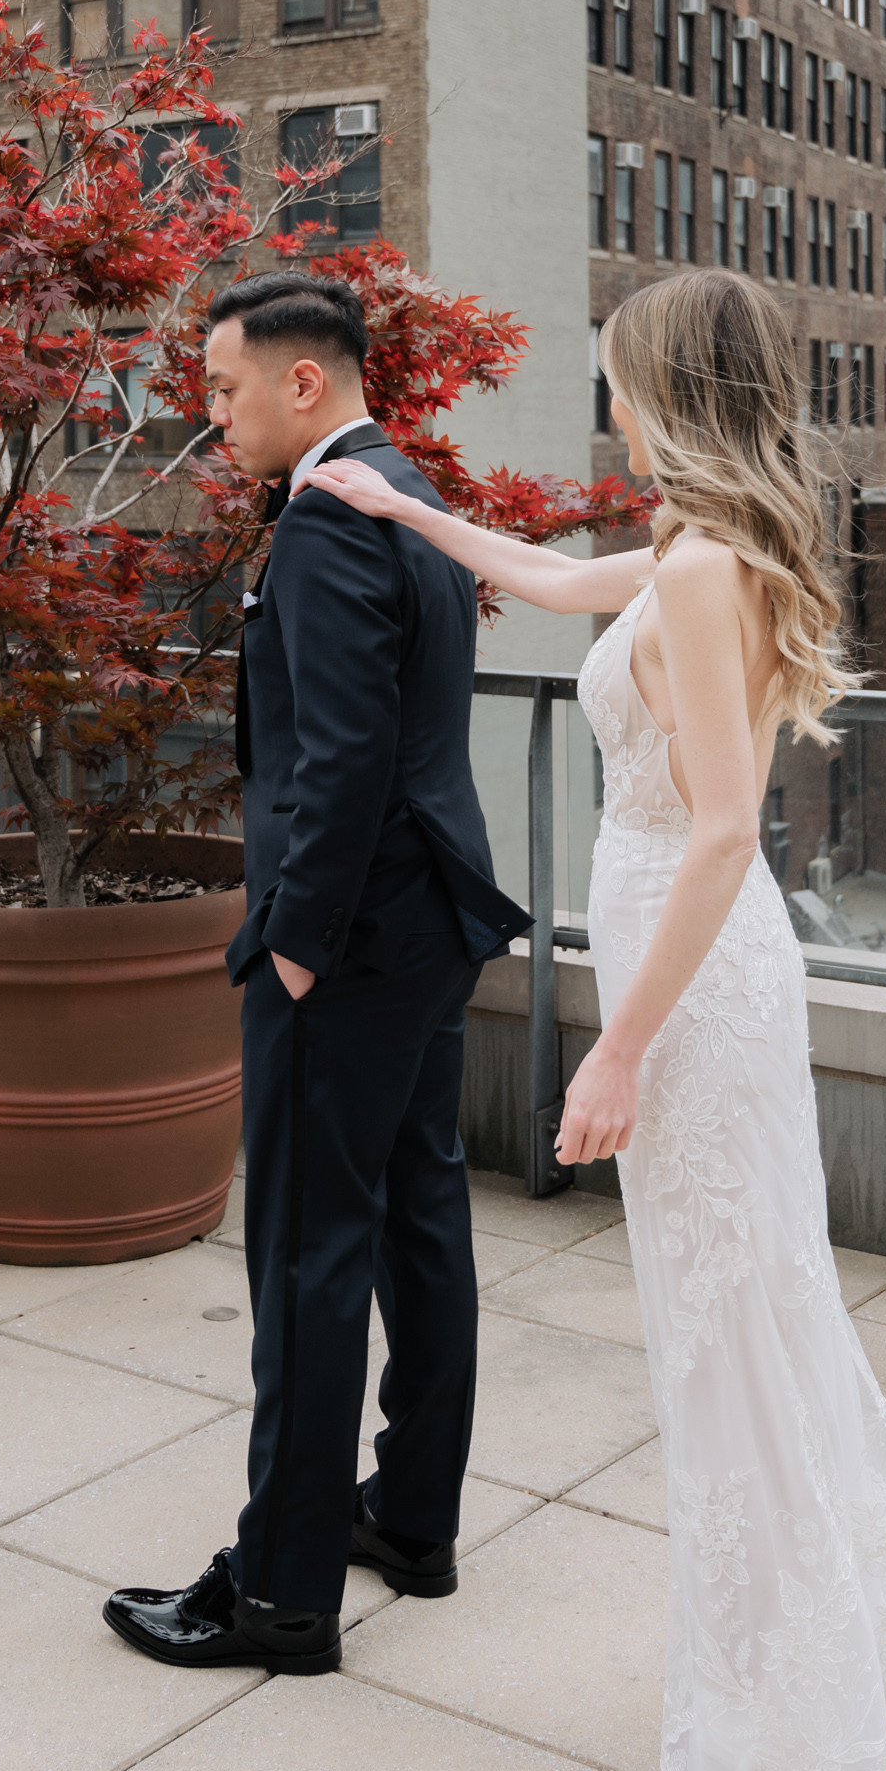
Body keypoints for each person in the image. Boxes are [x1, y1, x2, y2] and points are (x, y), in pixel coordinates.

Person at [309, 270, 886, 1771]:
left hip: (689, 987)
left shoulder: (707, 573)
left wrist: (616, 1048)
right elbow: (546, 580)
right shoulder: (703, 551)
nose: (608, 404)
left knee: (726, 1356)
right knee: (751, 1335)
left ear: (672, 392)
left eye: (621, 379)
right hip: (685, 967)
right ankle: (821, 1687)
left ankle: (773, 1763)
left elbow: (715, 828)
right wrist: (402, 510)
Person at [103, 271, 527, 1678]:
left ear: (305, 382)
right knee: (420, 1220)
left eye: (225, 390)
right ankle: (410, 1519)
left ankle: (280, 1596)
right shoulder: (402, 495)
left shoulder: (335, 523)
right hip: (427, 928)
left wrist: (289, 946)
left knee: (304, 1255)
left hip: (344, 946)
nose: (212, 417)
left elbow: (339, 761)